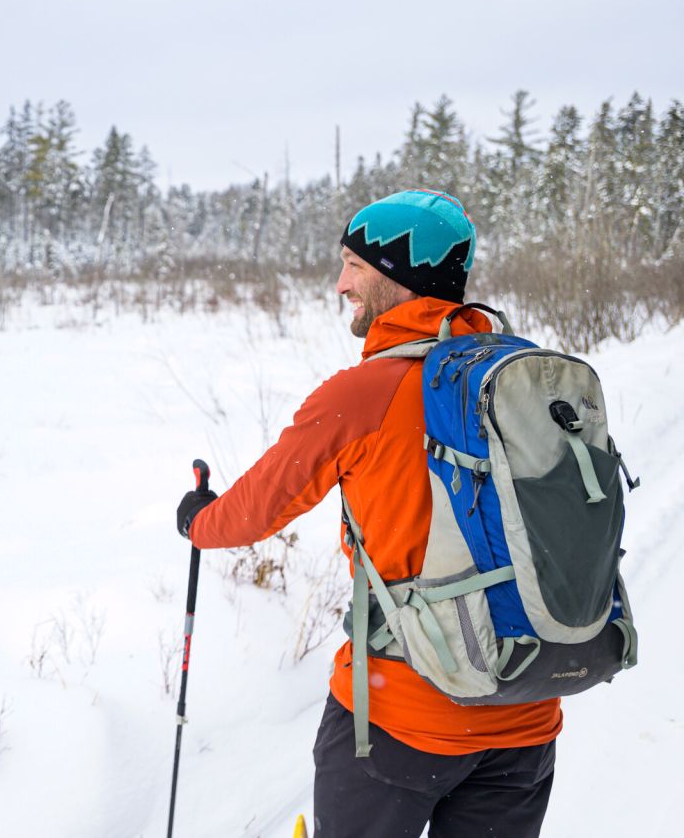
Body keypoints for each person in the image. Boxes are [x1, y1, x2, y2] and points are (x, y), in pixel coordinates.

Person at [175, 189, 559, 838]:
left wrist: (197, 520)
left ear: (398, 273)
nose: (339, 283)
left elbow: (251, 514)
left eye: (353, 265)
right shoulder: (525, 378)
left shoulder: (364, 393)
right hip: (528, 717)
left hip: (399, 722)